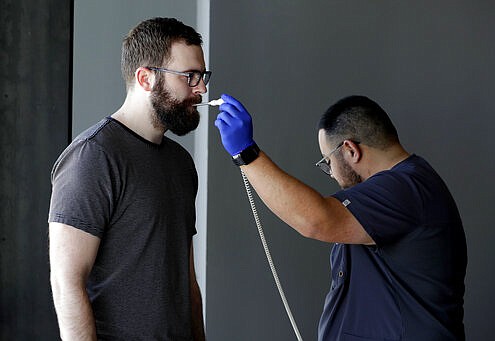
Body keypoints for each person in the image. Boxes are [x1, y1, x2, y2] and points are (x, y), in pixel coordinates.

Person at [214, 94, 467, 340]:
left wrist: (246, 154)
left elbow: (316, 220)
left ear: (350, 150)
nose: (332, 174)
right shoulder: (401, 188)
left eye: (327, 162)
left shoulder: (406, 188)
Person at [48, 17, 208, 340]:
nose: (201, 89)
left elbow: (186, 278)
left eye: (203, 77)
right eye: (189, 76)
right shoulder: (93, 157)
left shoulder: (181, 163)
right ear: (145, 78)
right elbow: (67, 283)